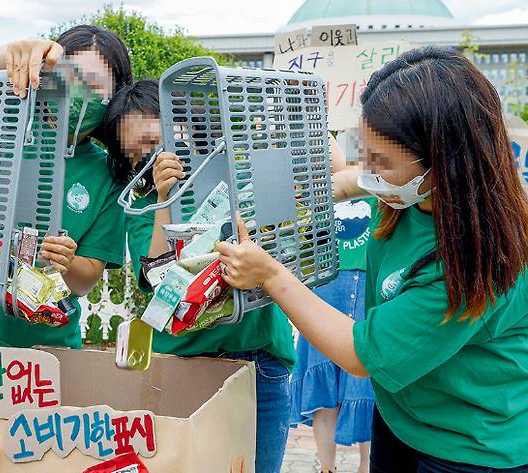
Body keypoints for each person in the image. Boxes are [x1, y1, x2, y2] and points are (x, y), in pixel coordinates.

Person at [217, 46, 528, 472]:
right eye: (365, 153)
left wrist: (270, 274)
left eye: (381, 163)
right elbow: (351, 182)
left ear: (443, 165)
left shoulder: (481, 259)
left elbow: (358, 353)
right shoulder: (414, 194)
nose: (370, 171)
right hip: (404, 418)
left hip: (471, 447)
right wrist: (320, 189)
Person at [103, 79, 347, 473]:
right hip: (188, 364)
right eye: (138, 154)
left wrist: (302, 113)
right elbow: (159, 282)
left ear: (183, 123)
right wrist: (166, 199)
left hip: (260, 359)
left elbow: (332, 172)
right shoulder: (144, 206)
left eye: (156, 140)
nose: (152, 157)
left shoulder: (237, 170)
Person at [0, 25, 134, 349]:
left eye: (96, 85)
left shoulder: (108, 173)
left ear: (115, 97)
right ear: (50, 75)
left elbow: (85, 280)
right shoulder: (9, 118)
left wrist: (68, 260)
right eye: (73, 78)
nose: (82, 93)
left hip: (45, 341)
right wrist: (23, 49)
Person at [290, 197, 376, 473]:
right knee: (322, 386)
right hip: (326, 285)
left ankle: (367, 466)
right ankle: (327, 468)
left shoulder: (383, 188)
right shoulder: (319, 188)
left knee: (369, 385)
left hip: (370, 287)